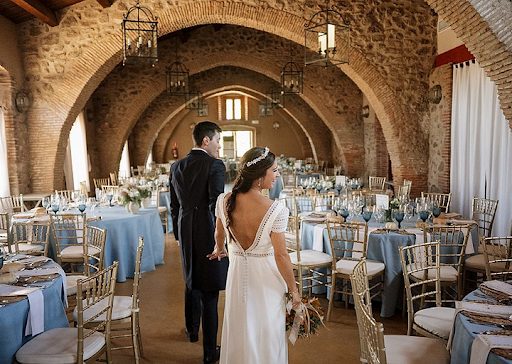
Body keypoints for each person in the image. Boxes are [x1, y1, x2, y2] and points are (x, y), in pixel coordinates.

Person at [208, 147, 301, 364]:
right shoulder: (276, 209)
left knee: (240, 326)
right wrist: (294, 290)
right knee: (267, 331)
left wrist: (219, 248)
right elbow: (281, 256)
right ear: (260, 176)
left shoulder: (224, 200)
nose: (277, 175)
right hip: (267, 278)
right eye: (274, 171)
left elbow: (218, 233)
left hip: (238, 276)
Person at [169, 121, 228, 364]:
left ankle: (192, 331)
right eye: (217, 141)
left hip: (185, 229)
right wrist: (222, 239)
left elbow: (174, 206)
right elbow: (218, 205)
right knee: (210, 292)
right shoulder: (215, 165)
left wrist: (179, 234)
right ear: (206, 140)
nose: (218, 146)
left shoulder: (177, 166)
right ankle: (209, 353)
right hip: (207, 230)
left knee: (191, 280)